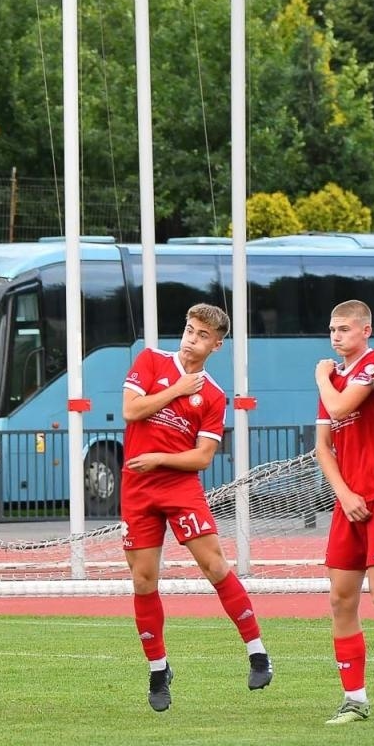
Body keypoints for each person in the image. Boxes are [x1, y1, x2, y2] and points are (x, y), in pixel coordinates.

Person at [121, 303, 272, 712]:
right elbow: (131, 410)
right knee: (144, 579)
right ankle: (158, 670)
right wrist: (176, 390)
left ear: (216, 345)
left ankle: (258, 653)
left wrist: (160, 459)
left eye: (203, 335)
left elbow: (202, 458)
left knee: (215, 566)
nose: (192, 339)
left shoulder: (214, 395)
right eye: (189, 330)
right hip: (138, 489)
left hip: (179, 486)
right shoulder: (151, 361)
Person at [316, 302, 374, 723]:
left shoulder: (369, 367)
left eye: (344, 328)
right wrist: (343, 493)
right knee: (340, 599)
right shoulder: (335, 379)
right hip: (348, 503)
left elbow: (341, 408)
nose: (336, 336)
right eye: (332, 329)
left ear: (367, 331)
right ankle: (355, 699)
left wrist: (319, 376)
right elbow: (322, 447)